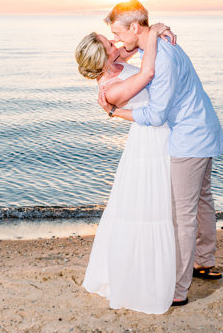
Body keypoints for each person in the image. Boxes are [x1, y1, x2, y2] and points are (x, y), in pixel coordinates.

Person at [98, 0, 223, 307]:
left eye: (117, 32)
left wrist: (116, 111)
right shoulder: (156, 46)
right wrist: (156, 30)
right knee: (202, 201)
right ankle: (203, 261)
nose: (116, 39)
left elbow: (156, 116)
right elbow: (127, 53)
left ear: (134, 27)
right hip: (204, 129)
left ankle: (179, 288)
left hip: (189, 138)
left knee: (183, 215)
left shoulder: (162, 56)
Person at [75, 21, 176, 314]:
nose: (114, 43)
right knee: (146, 207)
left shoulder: (116, 62)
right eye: (108, 43)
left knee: (157, 204)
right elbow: (148, 72)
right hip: (149, 140)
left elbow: (134, 48)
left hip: (158, 133)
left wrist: (148, 32)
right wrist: (154, 33)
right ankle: (142, 279)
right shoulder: (110, 89)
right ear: (103, 57)